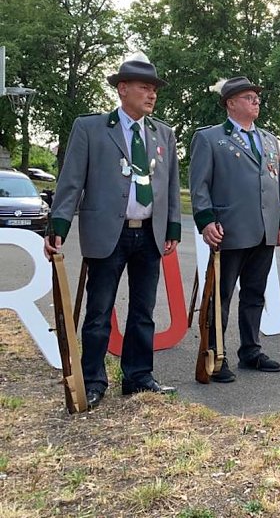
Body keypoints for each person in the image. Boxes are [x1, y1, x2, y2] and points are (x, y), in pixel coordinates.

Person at [44, 53, 181, 409]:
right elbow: (71, 180)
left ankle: (138, 376)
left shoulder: (163, 132)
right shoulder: (90, 128)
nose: (151, 95)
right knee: (99, 312)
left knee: (143, 311)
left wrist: (173, 227)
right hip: (109, 232)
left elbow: (169, 185)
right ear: (122, 89)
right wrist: (58, 223)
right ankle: (93, 380)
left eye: (154, 89)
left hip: (149, 234)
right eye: (144, 88)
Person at [189, 76, 280, 383]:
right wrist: (206, 221)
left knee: (255, 294)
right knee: (220, 296)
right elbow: (199, 186)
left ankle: (250, 350)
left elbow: (279, 182)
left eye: (257, 98)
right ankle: (214, 355)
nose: (256, 102)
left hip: (264, 230)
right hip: (229, 230)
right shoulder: (210, 138)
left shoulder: (270, 140)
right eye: (248, 97)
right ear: (231, 103)